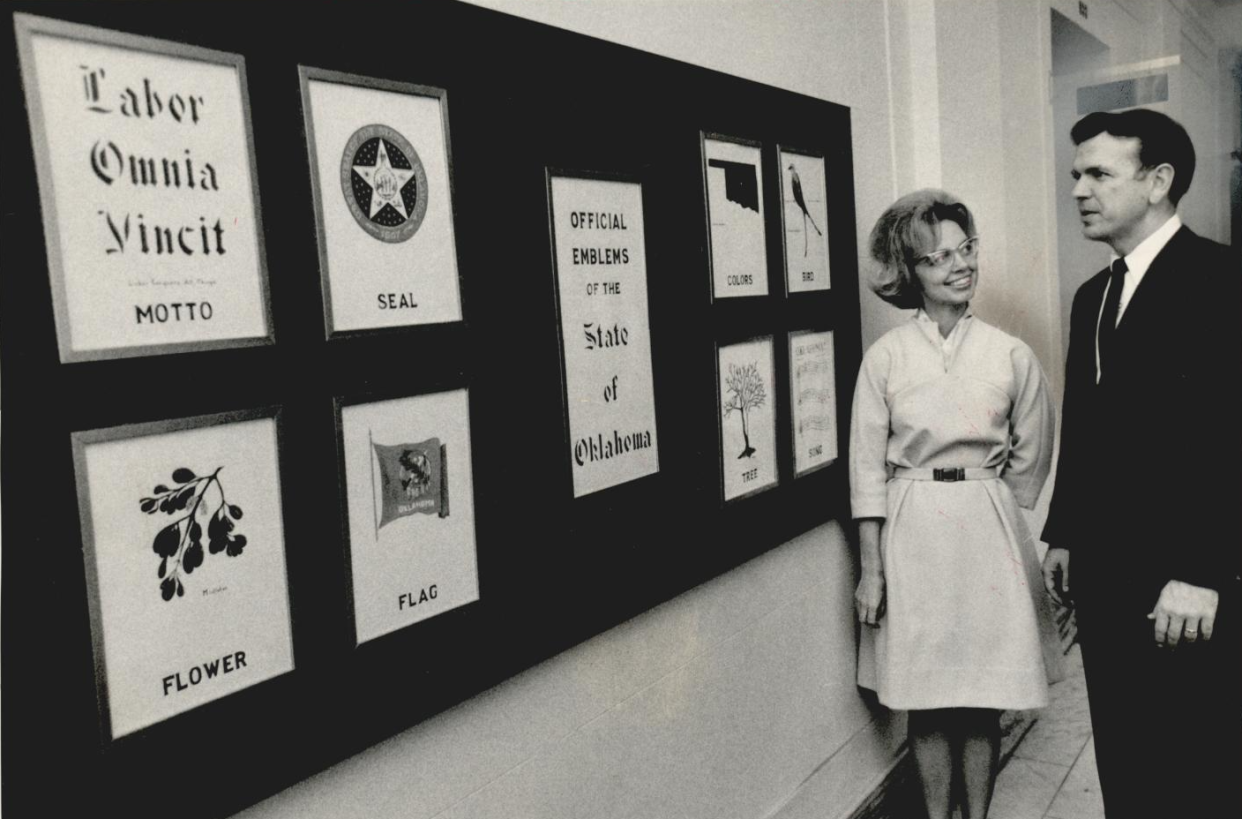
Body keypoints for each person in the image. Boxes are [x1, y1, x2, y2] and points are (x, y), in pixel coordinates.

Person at [1041, 109, 1242, 818]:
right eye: (1076, 175)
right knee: (1127, 760)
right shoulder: (1092, 296)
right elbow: (1087, 427)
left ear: (1158, 181)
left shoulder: (1221, 278)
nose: (1079, 191)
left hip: (1187, 583)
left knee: (1200, 765)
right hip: (1105, 575)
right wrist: (1064, 530)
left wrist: (1205, 569)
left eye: (1099, 173)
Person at [851, 189, 1062, 819]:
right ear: (910, 272)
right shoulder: (885, 359)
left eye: (965, 249)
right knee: (928, 693)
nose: (959, 265)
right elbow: (866, 468)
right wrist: (871, 568)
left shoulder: (1009, 354)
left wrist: (996, 502)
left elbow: (1034, 447)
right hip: (912, 526)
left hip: (987, 531)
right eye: (938, 257)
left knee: (981, 695)